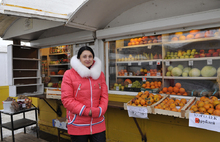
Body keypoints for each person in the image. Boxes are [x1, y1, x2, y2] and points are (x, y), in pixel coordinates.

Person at [61, 46, 108, 142]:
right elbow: (67, 99)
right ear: (79, 58)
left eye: (90, 56)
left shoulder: (100, 74)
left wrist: (100, 110)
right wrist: (87, 111)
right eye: (84, 56)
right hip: (78, 124)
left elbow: (104, 95)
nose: (88, 59)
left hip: (97, 123)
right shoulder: (69, 74)